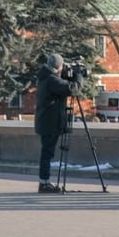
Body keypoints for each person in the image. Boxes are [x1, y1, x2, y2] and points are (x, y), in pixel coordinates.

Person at [33, 53, 84, 193]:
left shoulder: (45, 77)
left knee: (47, 152)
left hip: (46, 121)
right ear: (59, 67)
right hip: (50, 123)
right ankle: (44, 183)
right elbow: (72, 89)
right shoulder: (52, 80)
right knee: (47, 153)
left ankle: (44, 182)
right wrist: (78, 76)